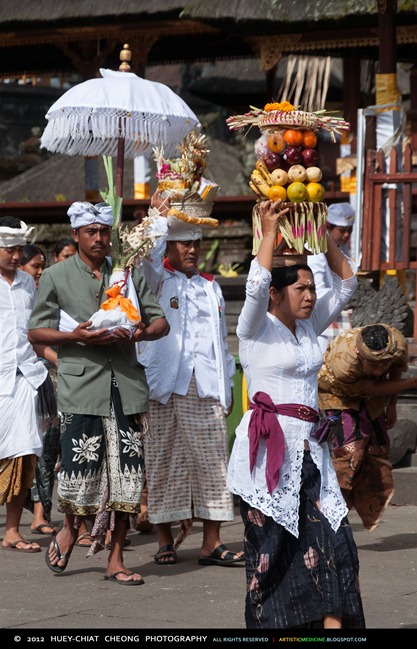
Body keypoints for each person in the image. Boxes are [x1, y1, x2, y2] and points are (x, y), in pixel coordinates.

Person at [227, 198, 365, 629]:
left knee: (335, 543)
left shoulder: (309, 325)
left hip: (312, 449)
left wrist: (317, 232)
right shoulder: (253, 329)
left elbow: (347, 285)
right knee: (272, 556)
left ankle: (333, 625)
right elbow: (253, 288)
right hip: (267, 454)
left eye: (310, 287)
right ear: (275, 293)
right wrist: (269, 232)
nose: (309, 295)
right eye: (300, 288)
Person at [28, 201, 169, 585]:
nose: (99, 238)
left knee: (127, 477)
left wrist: (136, 332)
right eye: (91, 232)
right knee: (78, 473)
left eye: (105, 231)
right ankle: (72, 527)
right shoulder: (56, 275)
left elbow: (160, 323)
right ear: (76, 235)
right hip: (80, 384)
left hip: (126, 386)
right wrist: (74, 336)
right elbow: (36, 332)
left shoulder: (127, 274)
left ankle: (117, 558)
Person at [139, 191, 242, 566]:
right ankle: (165, 539)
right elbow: (147, 253)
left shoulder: (210, 286)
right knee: (162, 458)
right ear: (169, 244)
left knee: (212, 461)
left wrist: (227, 385)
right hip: (163, 384)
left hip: (205, 385)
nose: (191, 251)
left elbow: (220, 340)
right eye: (182, 244)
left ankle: (210, 543)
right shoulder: (155, 277)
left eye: (195, 245)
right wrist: (158, 216)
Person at [318, 323, 417, 532]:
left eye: (383, 364)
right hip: (337, 394)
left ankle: (364, 505)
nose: (379, 370)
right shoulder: (344, 362)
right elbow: (372, 386)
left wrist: (392, 405)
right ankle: (329, 514)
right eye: (373, 364)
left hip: (372, 397)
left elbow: (395, 370)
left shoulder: (397, 344)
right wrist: (411, 384)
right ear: (358, 353)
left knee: (378, 450)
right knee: (351, 453)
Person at [0, 216, 55, 553]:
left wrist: (57, 358)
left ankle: (11, 530)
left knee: (23, 453)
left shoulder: (28, 283)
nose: (16, 256)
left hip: (24, 379)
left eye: (19, 249)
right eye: (9, 249)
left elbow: (36, 332)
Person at [18, 244, 60, 537]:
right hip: (17, 381)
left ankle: (40, 513)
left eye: (43, 266)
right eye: (35, 266)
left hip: (44, 380)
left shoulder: (44, 294)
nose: (41, 271)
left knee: (45, 450)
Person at [308, 202, 355, 353]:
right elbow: (318, 287)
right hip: (320, 311)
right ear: (328, 227)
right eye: (341, 230)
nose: (346, 235)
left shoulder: (339, 246)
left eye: (349, 230)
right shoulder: (315, 249)